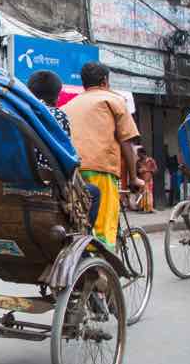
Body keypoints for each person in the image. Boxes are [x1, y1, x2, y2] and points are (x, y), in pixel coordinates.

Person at [64, 62, 144, 251]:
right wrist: (133, 178)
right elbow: (126, 141)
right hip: (101, 169)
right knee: (102, 227)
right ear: (105, 81)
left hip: (72, 171)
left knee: (79, 221)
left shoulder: (68, 105)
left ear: (84, 84)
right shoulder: (114, 100)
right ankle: (102, 270)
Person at [27, 70, 100, 230]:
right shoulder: (57, 115)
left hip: (19, 179)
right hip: (48, 184)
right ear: (57, 96)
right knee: (93, 193)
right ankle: (82, 237)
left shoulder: (20, 113)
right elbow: (63, 155)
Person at [136, 147, 158, 213]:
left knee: (148, 193)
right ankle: (142, 208)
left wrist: (146, 170)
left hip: (149, 180)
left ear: (142, 153)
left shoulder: (150, 160)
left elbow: (155, 170)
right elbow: (136, 171)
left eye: (138, 153)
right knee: (141, 193)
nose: (137, 155)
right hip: (141, 180)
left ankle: (148, 208)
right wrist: (139, 171)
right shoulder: (138, 162)